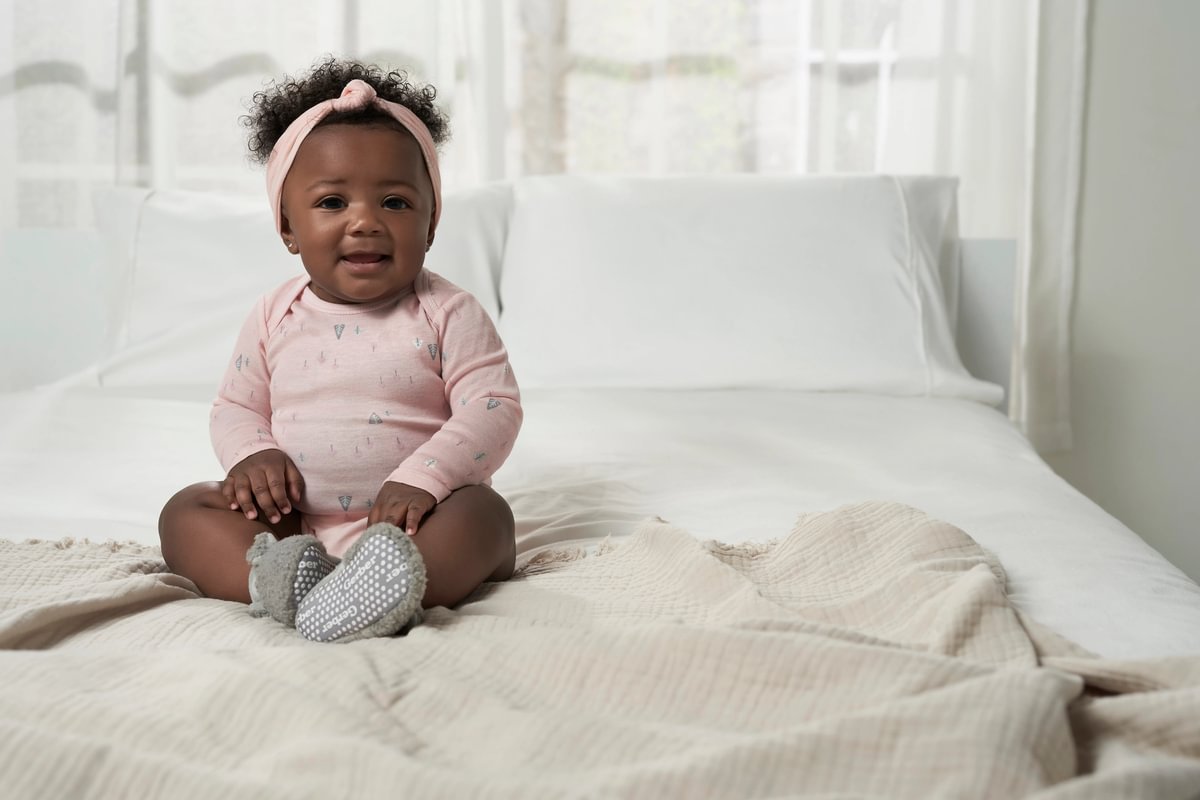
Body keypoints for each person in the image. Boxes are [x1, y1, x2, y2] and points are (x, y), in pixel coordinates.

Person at [158, 57, 522, 643]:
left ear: (431, 223)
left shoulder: (447, 312)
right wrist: (252, 456)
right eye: (332, 203)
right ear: (287, 226)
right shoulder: (275, 313)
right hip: (295, 525)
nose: (365, 223)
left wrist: (425, 479)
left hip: (416, 523)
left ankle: (394, 589)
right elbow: (237, 407)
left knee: (486, 517)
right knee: (186, 511)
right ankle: (279, 582)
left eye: (396, 203)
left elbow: (493, 408)